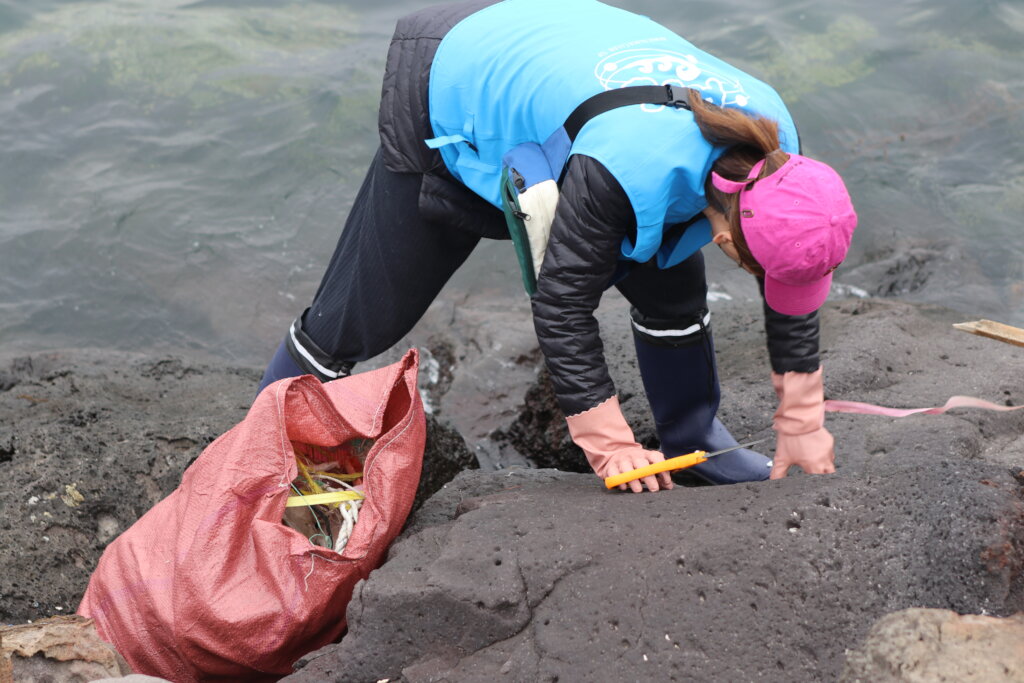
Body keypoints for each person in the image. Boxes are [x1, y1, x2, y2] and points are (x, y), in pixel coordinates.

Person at [258, 0, 858, 493]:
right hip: (464, 73)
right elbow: (561, 305)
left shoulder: (781, 148)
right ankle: (263, 451)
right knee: (363, 314)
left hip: (571, 59)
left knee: (672, 288)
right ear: (726, 236)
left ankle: (693, 436)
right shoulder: (622, 168)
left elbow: (793, 300)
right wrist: (612, 447)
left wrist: (802, 422)